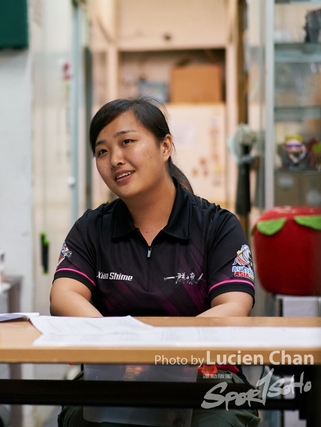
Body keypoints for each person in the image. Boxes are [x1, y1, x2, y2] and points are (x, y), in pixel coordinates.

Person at [50, 97, 261, 427]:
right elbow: (64, 295)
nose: (115, 159)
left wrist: (162, 354)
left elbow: (234, 306)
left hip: (206, 376)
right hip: (114, 374)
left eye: (127, 142)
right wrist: (118, 349)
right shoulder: (92, 228)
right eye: (102, 151)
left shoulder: (217, 226)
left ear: (165, 147)